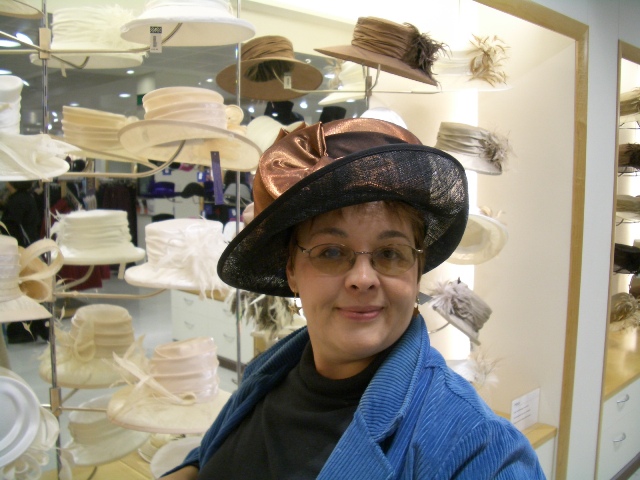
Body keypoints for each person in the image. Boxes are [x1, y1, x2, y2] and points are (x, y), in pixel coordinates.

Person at [163, 119, 545, 479]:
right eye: (331, 252)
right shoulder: (271, 372)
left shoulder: (478, 448)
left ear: (416, 271)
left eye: (390, 254)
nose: (363, 279)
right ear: (291, 269)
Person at [1, 180, 48, 343]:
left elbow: (11, 226)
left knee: (25, 288)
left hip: (23, 250)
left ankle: (36, 328)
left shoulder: (17, 201)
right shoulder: (25, 197)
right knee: (27, 288)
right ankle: (33, 328)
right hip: (29, 246)